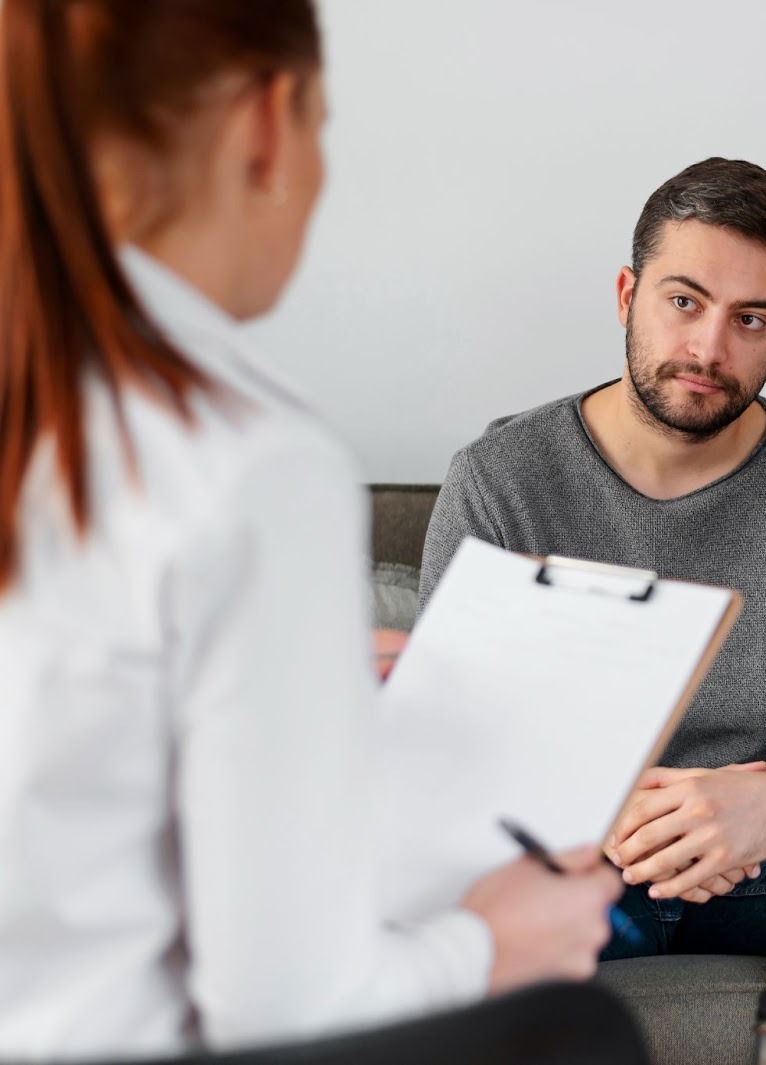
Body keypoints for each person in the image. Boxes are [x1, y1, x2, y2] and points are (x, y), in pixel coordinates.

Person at [0, 2, 618, 1057]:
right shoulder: (243, 460)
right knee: (580, 1028)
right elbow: (285, 1010)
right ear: (267, 121)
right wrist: (494, 941)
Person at [419, 157, 766, 992]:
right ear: (626, 295)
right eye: (684, 301)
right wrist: (626, 817)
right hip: (579, 862)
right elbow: (449, 749)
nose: (709, 349)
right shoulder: (502, 479)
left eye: (751, 318)